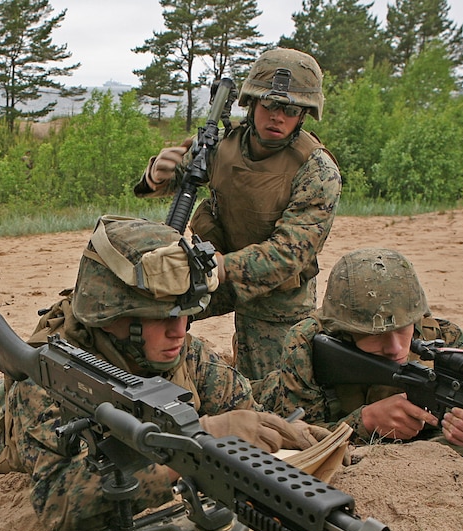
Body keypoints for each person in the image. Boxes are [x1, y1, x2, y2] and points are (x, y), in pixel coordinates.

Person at [0, 215, 335, 531]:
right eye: (163, 317)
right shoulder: (48, 381)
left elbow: (248, 410)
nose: (181, 331)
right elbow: (57, 503)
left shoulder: (183, 354)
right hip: (3, 429)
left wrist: (301, 436)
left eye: (186, 316)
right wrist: (197, 447)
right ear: (114, 315)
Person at [134, 48, 342, 381]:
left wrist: (223, 266)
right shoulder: (222, 144)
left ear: (303, 114)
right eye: (269, 105)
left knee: (270, 395)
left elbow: (289, 253)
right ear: (251, 104)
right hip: (215, 268)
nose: (277, 117)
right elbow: (180, 178)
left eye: (290, 109)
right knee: (143, 315)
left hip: (277, 299)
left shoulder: (316, 170)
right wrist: (157, 176)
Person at [252, 247, 463, 447]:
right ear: (343, 330)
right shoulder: (307, 344)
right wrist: (365, 422)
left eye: (402, 329)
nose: (395, 348)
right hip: (265, 400)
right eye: (376, 335)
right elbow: (297, 437)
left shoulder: (444, 341)